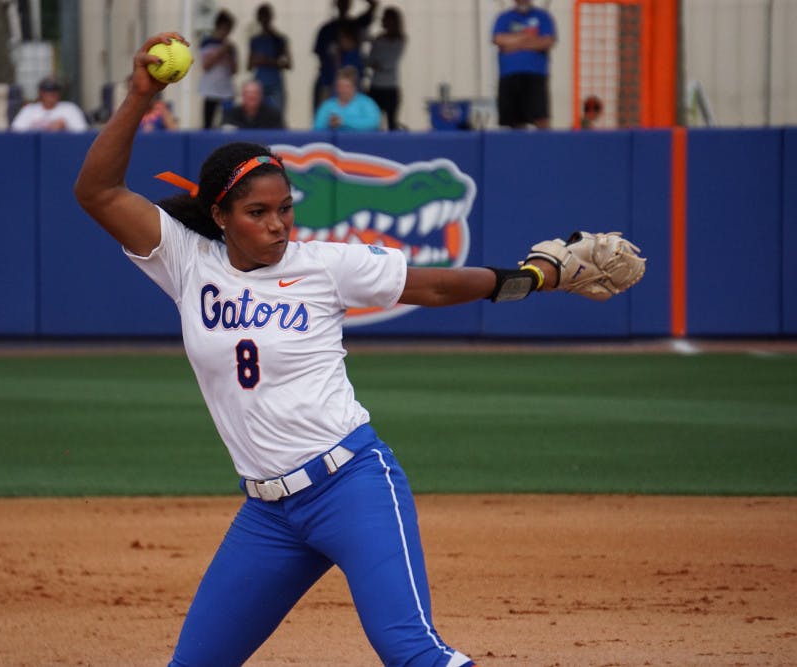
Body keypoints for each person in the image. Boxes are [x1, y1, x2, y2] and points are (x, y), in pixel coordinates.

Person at [74, 31, 575, 667]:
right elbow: (97, 193)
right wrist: (139, 96)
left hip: (351, 485)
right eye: (259, 212)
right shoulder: (186, 261)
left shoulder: (323, 265)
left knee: (409, 650)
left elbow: (438, 283)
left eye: (286, 208)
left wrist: (534, 276)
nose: (279, 224)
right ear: (220, 215)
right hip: (268, 516)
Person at [491, 0, 557, 129]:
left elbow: (547, 41)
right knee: (514, 120)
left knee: (540, 117)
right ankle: (518, 147)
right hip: (509, 75)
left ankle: (545, 145)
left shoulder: (542, 16)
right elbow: (499, 40)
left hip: (535, 74)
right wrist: (527, 38)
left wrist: (514, 43)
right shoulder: (504, 17)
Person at [312, 0, 378, 113]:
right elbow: (319, 54)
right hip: (328, 82)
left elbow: (373, 7)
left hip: (350, 89)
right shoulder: (327, 29)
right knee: (324, 116)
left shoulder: (355, 26)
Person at [366, 5, 407, 131]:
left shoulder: (400, 40)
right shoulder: (378, 39)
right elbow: (370, 60)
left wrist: (378, 64)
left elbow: (390, 62)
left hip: (390, 87)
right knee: (374, 122)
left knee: (391, 123)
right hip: (375, 86)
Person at [247, 3, 291, 114]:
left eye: (266, 16)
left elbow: (289, 64)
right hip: (259, 84)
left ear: (271, 17)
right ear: (258, 18)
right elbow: (249, 66)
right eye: (262, 16)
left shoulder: (280, 39)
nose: (264, 19)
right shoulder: (254, 40)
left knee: (277, 117)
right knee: (256, 117)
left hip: (276, 84)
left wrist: (267, 61)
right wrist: (257, 61)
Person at [198, 9, 238, 130]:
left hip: (227, 91)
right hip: (210, 90)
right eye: (225, 29)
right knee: (208, 124)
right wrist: (222, 50)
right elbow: (206, 65)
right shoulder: (207, 42)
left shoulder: (231, 47)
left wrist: (229, 53)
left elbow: (235, 70)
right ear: (219, 26)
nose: (227, 33)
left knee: (228, 125)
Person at [313, 66, 381, 131]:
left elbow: (373, 123)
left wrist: (343, 121)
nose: (343, 90)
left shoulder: (367, 103)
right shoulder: (327, 105)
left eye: (347, 86)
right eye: (340, 86)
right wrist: (329, 124)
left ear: (355, 87)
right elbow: (317, 128)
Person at [10, 76, 88, 132]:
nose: (51, 94)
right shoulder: (29, 110)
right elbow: (16, 131)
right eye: (47, 90)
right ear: (41, 93)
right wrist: (41, 127)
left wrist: (65, 125)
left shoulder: (70, 108)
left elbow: (82, 131)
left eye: (55, 90)